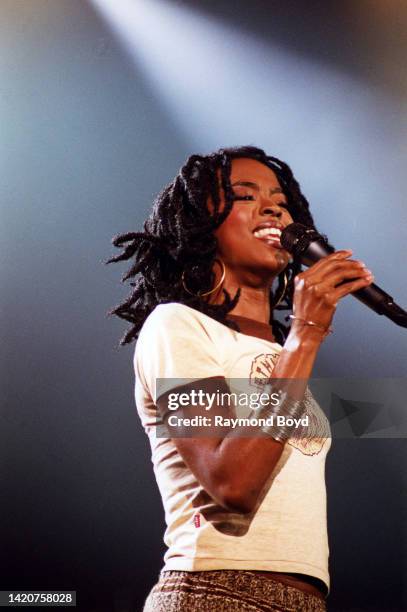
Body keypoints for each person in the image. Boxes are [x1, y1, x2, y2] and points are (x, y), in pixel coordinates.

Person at [107, 146, 374, 611]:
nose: (273, 207)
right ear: (200, 224)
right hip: (214, 592)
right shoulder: (178, 326)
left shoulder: (281, 352)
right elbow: (232, 483)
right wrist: (307, 334)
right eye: (244, 195)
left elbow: (377, 417)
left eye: (281, 200)